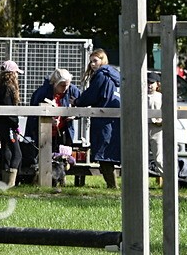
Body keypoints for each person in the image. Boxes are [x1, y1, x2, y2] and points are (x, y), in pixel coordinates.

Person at [73, 48, 122, 188]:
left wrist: (77, 101)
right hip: (116, 119)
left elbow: (91, 95)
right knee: (112, 152)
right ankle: (114, 185)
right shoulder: (115, 75)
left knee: (104, 153)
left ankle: (112, 185)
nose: (93, 64)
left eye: (95, 61)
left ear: (103, 60)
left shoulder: (101, 76)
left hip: (103, 120)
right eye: (91, 62)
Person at [26, 67, 81, 147]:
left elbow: (82, 107)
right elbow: (33, 114)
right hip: (42, 133)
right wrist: (48, 120)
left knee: (63, 156)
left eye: (67, 85)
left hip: (64, 132)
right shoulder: (42, 92)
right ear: (54, 83)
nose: (65, 88)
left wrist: (74, 115)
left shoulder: (73, 90)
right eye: (62, 85)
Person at [0, 60, 23, 186]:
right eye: (16, 73)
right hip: (8, 126)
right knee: (17, 153)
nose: (17, 75)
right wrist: (15, 124)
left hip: (1, 125)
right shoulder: (8, 88)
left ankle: (6, 180)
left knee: (6, 151)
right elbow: (8, 110)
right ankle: (10, 182)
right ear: (12, 74)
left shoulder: (1, 88)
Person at [147, 71, 163, 176]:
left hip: (157, 129)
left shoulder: (161, 97)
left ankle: (168, 180)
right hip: (144, 127)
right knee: (141, 156)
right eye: (148, 82)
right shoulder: (141, 96)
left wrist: (161, 120)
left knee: (159, 157)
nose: (149, 85)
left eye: (152, 83)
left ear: (157, 84)